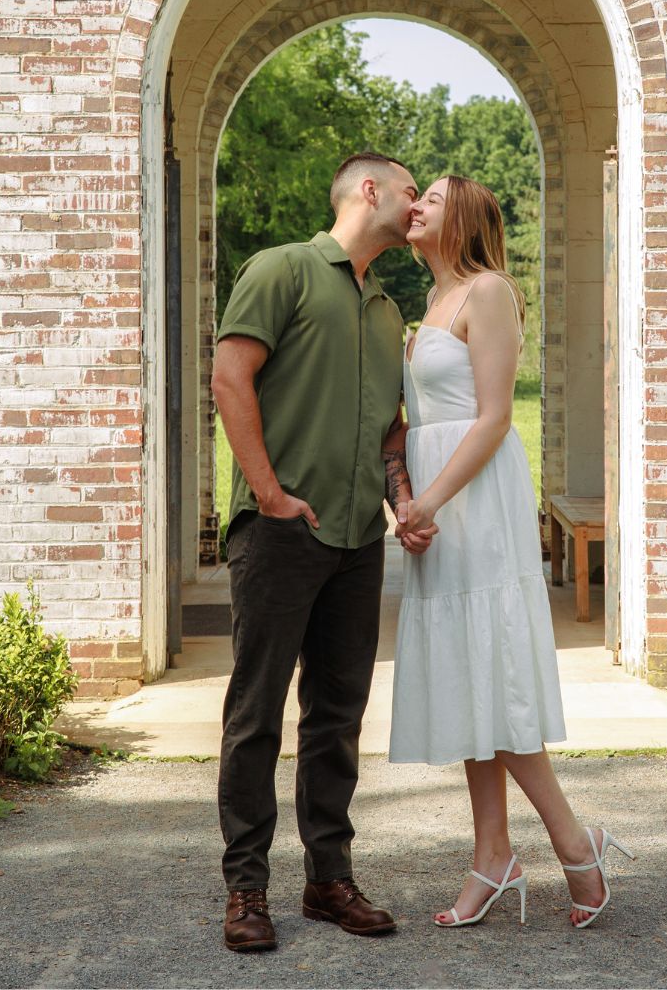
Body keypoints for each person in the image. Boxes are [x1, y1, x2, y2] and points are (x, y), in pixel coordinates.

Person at [390, 175, 635, 931]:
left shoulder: (489, 291)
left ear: (461, 217)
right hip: (434, 506)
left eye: (430, 196)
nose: (416, 205)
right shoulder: (429, 302)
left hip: (476, 502)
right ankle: (493, 854)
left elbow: (495, 418)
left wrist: (429, 501)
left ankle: (573, 841)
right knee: (468, 675)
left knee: (493, 669)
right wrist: (405, 499)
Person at [211, 152, 436, 954]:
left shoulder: (385, 311)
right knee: (256, 716)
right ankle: (246, 891)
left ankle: (326, 879)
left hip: (357, 540)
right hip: (279, 532)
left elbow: (388, 430)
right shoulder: (284, 269)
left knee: (338, 718)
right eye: (412, 191)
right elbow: (231, 377)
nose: (419, 207)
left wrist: (401, 499)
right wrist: (269, 494)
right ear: (368, 190)